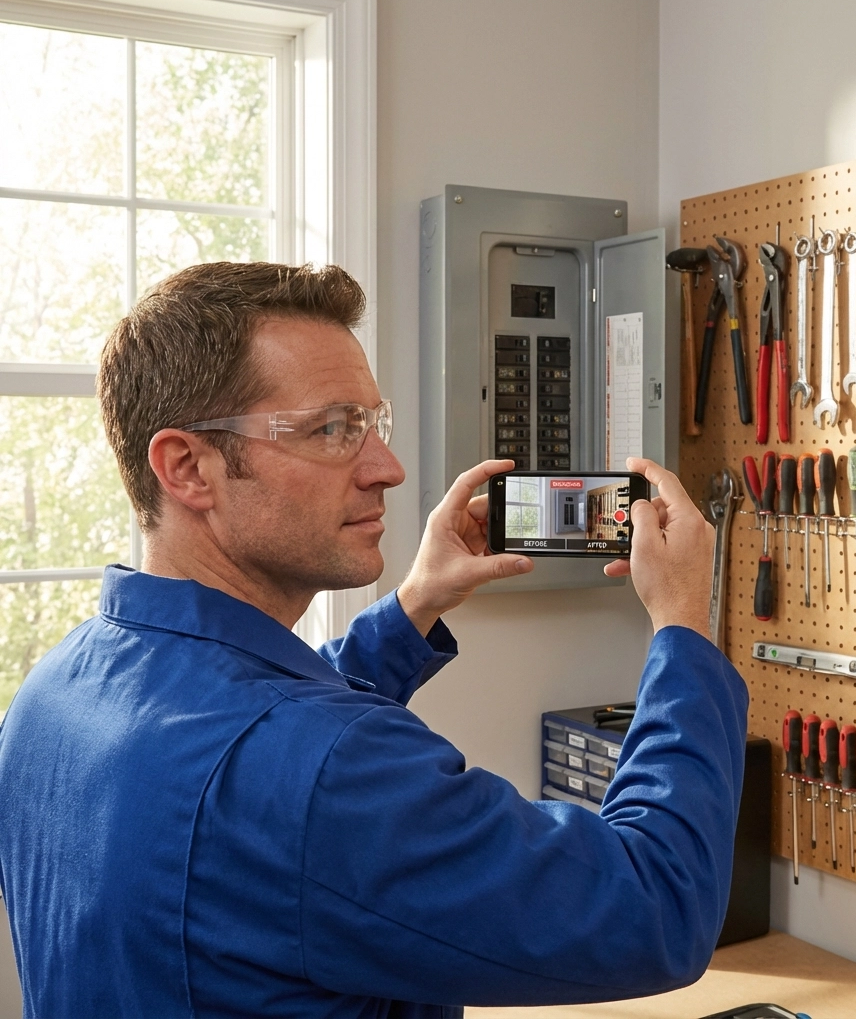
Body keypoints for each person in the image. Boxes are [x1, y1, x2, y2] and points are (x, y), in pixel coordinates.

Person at [0, 262, 748, 1018]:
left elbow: (237, 752)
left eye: (370, 424)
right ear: (188, 467)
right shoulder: (328, 771)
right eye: (331, 429)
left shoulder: (49, 698)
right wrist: (682, 626)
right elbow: (654, 908)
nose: (386, 470)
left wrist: (417, 604)